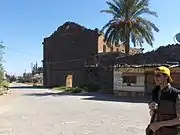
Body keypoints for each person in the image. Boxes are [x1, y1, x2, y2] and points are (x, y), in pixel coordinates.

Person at [148, 66, 180, 135]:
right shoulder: (155, 92)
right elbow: (152, 114)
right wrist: (152, 109)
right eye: (154, 75)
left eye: (158, 75)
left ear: (166, 77)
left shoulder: (176, 94)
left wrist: (159, 124)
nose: (155, 78)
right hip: (154, 132)